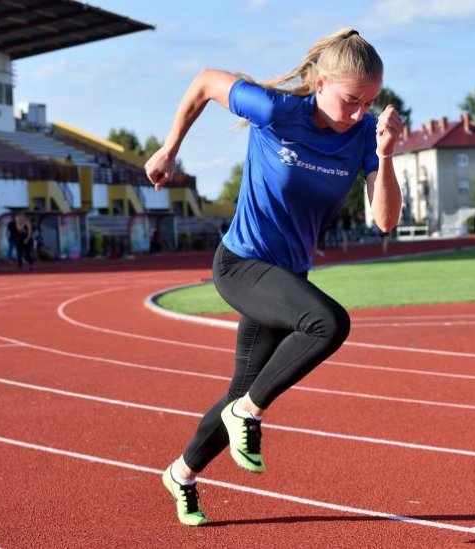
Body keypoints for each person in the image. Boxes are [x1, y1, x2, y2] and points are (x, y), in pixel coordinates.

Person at [145, 28, 402, 526]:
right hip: (241, 264)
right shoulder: (277, 110)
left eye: (369, 102)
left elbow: (385, 221)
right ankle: (249, 412)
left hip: (287, 275)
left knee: (239, 389)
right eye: (352, 100)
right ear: (321, 82)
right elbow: (203, 82)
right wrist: (169, 149)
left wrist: (387, 154)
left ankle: (181, 473)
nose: (359, 113)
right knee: (328, 323)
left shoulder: (366, 139)